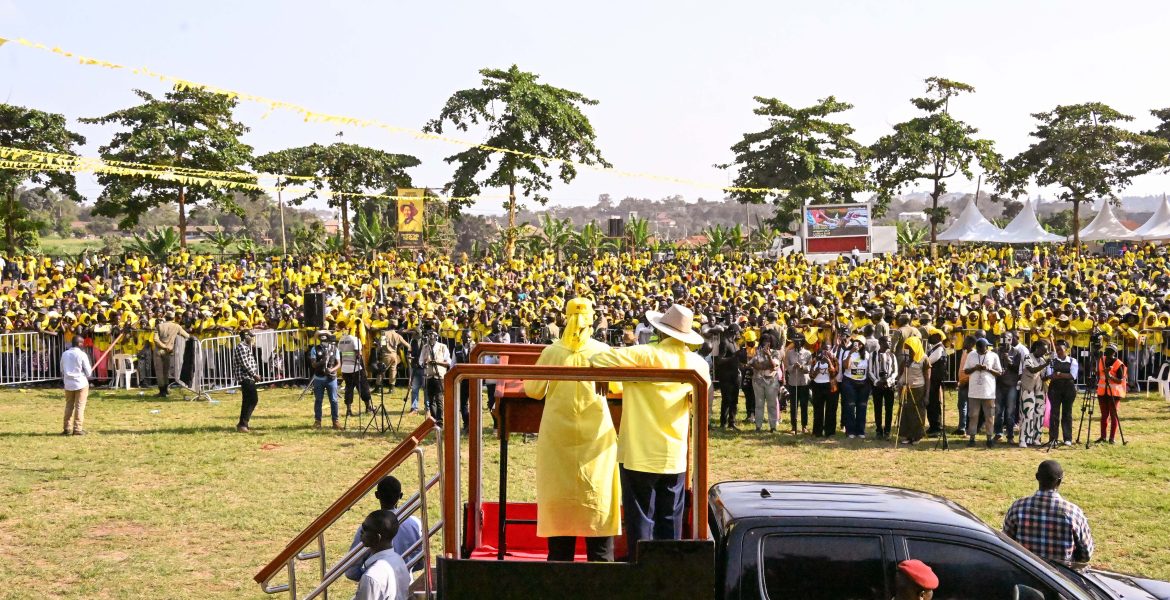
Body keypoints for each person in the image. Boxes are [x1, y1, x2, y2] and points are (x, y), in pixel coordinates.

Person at [590, 304, 710, 562]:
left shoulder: (643, 354)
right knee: (670, 520)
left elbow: (597, 358)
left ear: (661, 331)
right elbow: (702, 398)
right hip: (673, 454)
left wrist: (603, 374)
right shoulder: (697, 364)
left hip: (638, 452)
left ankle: (640, 569)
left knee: (641, 519)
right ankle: (667, 572)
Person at [524, 298, 619, 562]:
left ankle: (559, 573)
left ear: (566, 318)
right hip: (596, 440)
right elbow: (619, 387)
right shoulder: (603, 351)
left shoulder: (552, 352)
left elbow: (533, 390)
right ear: (592, 319)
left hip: (558, 438)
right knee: (597, 503)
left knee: (560, 507)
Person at [1003, 460, 1094, 564]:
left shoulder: (1017, 507)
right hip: (1059, 577)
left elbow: (1006, 543)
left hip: (1025, 572)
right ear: (1059, 481)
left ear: (1037, 477)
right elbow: (1086, 554)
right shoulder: (1073, 513)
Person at [346, 476, 424, 580]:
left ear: (377, 495)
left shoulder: (368, 527)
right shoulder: (415, 524)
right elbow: (421, 562)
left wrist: (370, 578)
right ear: (400, 496)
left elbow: (351, 570)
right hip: (405, 586)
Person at [353, 509, 411, 600]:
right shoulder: (399, 560)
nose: (361, 531)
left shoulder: (371, 577)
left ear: (377, 537)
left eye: (365, 528)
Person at [963, 338, 1002, 448]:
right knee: (973, 415)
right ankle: (972, 438)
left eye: (987, 348)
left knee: (989, 415)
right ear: (978, 347)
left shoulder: (993, 355)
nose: (986, 349)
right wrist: (975, 368)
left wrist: (988, 369)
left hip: (988, 392)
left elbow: (999, 372)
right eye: (984, 348)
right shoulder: (971, 355)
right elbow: (966, 371)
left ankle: (989, 437)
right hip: (974, 391)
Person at [1045, 340, 1079, 446]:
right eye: (1057, 349)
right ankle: (1053, 438)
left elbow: (1073, 375)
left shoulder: (1073, 361)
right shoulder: (1052, 361)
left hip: (1068, 389)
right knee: (1054, 413)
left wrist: (1059, 374)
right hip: (1055, 389)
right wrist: (1063, 374)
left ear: (1066, 350)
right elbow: (1050, 375)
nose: (1058, 351)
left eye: (1060, 349)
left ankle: (1067, 438)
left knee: (1067, 413)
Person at [897, 337, 930, 445]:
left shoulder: (924, 359)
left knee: (917, 413)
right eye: (906, 348)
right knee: (906, 412)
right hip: (905, 389)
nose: (908, 350)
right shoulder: (906, 359)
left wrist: (926, 395)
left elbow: (927, 377)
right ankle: (907, 436)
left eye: (910, 348)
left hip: (918, 389)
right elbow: (901, 372)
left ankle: (917, 436)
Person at [1018, 340, 1050, 448]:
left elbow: (1043, 376)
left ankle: (1036, 438)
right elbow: (1032, 370)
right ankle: (1024, 439)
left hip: (1040, 388)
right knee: (1027, 412)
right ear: (1037, 348)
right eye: (1043, 350)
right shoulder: (1028, 357)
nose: (1044, 353)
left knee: (1039, 413)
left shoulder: (1042, 359)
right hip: (1028, 388)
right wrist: (1045, 364)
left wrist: (1051, 374)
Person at [61, 336, 94, 436]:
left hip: (68, 383)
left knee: (69, 406)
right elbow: (88, 372)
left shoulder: (65, 354)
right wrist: (87, 373)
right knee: (80, 406)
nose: (83, 344)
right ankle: (77, 429)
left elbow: (62, 369)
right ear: (79, 344)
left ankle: (67, 428)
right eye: (82, 343)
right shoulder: (82, 354)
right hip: (80, 383)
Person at [152, 312, 190, 397]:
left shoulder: (159, 326)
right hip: (168, 351)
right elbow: (187, 335)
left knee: (159, 372)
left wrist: (164, 346)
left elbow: (155, 339)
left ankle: (162, 391)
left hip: (159, 350)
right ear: (173, 318)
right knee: (166, 371)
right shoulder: (176, 326)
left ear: (165, 317)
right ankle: (166, 390)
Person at [1095, 344, 1127, 444]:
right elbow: (1099, 373)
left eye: (1110, 350)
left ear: (1114, 352)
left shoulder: (1118, 363)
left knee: (1113, 415)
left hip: (1114, 393)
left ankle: (1112, 438)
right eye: (1107, 349)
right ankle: (1103, 437)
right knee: (1104, 415)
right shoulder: (1101, 359)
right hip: (1102, 392)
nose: (1107, 351)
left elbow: (1120, 380)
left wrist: (1110, 376)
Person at [309, 330, 341, 430]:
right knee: (318, 400)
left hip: (331, 378)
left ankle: (335, 421)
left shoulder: (335, 349)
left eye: (325, 338)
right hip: (319, 378)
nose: (324, 340)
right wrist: (322, 360)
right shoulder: (315, 349)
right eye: (321, 338)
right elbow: (313, 364)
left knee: (334, 400)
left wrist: (332, 369)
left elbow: (339, 364)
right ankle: (317, 421)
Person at [749, 335, 782, 432]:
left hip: (771, 382)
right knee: (759, 404)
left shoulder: (775, 353)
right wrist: (763, 366)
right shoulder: (757, 352)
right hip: (758, 381)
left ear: (772, 342)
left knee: (772, 404)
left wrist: (768, 356)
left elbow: (773, 366)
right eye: (763, 340)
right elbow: (752, 364)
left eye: (768, 340)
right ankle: (758, 426)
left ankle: (773, 426)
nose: (765, 342)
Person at [339, 328, 374, 416]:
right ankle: (368, 407)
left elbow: (340, 354)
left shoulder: (341, 340)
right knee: (363, 387)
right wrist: (364, 369)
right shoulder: (355, 339)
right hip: (356, 367)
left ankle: (349, 410)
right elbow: (359, 355)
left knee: (349, 389)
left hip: (345, 368)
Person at [419, 328, 451, 427]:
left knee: (439, 399)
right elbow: (420, 361)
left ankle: (440, 422)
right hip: (429, 377)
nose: (431, 339)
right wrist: (423, 363)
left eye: (433, 337)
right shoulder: (425, 347)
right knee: (430, 400)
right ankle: (433, 420)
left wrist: (437, 362)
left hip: (439, 377)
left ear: (436, 337)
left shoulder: (443, 347)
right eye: (429, 337)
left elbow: (448, 362)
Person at [868, 335, 897, 439]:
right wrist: (876, 381)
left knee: (889, 409)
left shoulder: (892, 355)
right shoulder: (873, 355)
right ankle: (879, 430)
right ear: (880, 343)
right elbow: (870, 371)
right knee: (878, 408)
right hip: (877, 386)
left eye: (890, 341)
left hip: (889, 386)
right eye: (887, 341)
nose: (889, 343)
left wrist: (889, 381)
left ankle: (887, 430)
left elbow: (895, 371)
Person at [841, 335, 871, 439]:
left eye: (860, 343)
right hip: (849, 382)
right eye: (856, 342)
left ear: (863, 345)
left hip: (863, 383)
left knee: (862, 407)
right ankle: (850, 431)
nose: (858, 345)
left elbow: (869, 370)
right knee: (850, 406)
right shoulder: (847, 352)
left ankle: (860, 431)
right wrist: (850, 353)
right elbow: (845, 366)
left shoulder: (867, 355)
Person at [232, 329, 261, 433]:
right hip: (245, 377)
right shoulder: (241, 347)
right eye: (250, 336)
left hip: (249, 377)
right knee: (252, 399)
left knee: (248, 401)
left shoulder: (245, 347)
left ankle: (243, 424)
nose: (252, 339)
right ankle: (243, 424)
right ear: (245, 337)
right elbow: (244, 363)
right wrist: (254, 375)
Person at [783, 334, 812, 434]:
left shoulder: (808, 353)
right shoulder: (789, 353)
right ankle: (793, 426)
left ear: (802, 342)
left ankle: (804, 426)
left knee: (804, 405)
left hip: (804, 382)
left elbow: (810, 368)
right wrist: (793, 367)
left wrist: (802, 367)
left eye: (799, 341)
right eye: (795, 341)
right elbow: (787, 367)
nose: (797, 343)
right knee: (793, 405)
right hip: (793, 382)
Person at [808, 345, 837, 437]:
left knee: (831, 410)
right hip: (817, 386)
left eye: (827, 350)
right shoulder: (815, 360)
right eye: (823, 350)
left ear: (830, 350)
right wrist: (817, 370)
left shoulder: (834, 359)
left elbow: (834, 373)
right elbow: (811, 376)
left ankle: (830, 432)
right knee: (818, 409)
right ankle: (817, 431)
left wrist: (829, 362)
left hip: (830, 386)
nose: (825, 352)